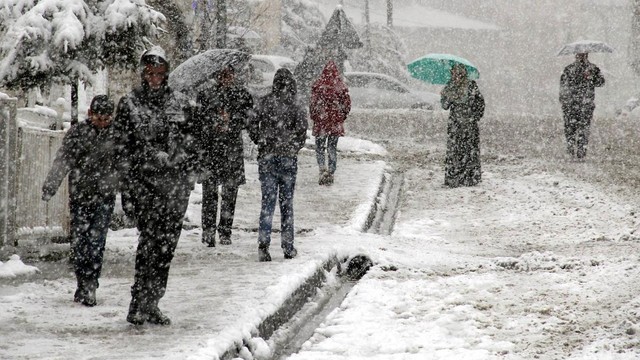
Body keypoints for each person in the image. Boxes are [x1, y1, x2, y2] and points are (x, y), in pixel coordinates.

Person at [113, 46, 197, 325]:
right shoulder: (130, 104)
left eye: (160, 73)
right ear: (142, 73)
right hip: (145, 186)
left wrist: (183, 166)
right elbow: (122, 149)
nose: (155, 78)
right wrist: (128, 188)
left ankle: (153, 302)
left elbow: (192, 142)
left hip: (174, 188)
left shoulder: (180, 103)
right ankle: (138, 301)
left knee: (166, 248)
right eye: (150, 73)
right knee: (149, 244)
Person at [41, 95, 117, 307]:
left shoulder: (117, 135)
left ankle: (91, 282)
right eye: (99, 117)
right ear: (91, 114)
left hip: (105, 195)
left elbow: (125, 165)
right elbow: (63, 160)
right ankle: (83, 281)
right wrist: (51, 185)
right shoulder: (78, 133)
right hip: (81, 195)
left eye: (106, 118)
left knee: (97, 242)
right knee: (80, 241)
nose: (102, 122)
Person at [249, 68, 308, 262]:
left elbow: (251, 123)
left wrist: (260, 140)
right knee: (286, 203)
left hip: (267, 157)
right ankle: (288, 245)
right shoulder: (296, 104)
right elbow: (302, 129)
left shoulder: (264, 101)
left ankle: (263, 245)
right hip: (287, 158)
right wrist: (293, 146)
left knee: (267, 203)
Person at [195, 66, 254, 247]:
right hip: (211, 149)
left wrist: (232, 121)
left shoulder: (242, 94)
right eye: (222, 75)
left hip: (231, 150)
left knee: (230, 192)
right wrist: (214, 122)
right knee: (210, 193)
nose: (226, 78)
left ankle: (225, 231)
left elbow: (248, 118)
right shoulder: (205, 95)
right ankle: (208, 231)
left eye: (229, 74)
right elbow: (198, 121)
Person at [440, 63, 485, 188]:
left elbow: (480, 102)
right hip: (455, 124)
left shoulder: (471, 85)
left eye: (460, 73)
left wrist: (474, 116)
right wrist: (445, 96)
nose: (457, 76)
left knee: (469, 150)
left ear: (464, 73)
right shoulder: (450, 86)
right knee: (455, 150)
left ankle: (470, 178)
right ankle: (454, 178)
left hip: (469, 124)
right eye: (455, 73)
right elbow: (444, 106)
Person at [309, 60, 351, 186]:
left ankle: (322, 168)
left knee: (320, 148)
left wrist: (315, 117)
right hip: (334, 123)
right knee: (332, 148)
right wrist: (341, 117)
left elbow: (313, 104)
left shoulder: (318, 85)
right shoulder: (341, 86)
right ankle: (331, 171)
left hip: (321, 122)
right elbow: (347, 105)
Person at [559, 52, 605, 159]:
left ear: (586, 55)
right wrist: (563, 101)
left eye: (583, 55)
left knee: (583, 128)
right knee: (570, 128)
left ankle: (581, 152)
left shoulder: (593, 68)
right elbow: (563, 85)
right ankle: (571, 150)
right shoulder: (569, 69)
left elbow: (601, 82)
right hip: (570, 104)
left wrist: (591, 77)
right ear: (575, 55)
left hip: (586, 104)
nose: (580, 57)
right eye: (579, 55)